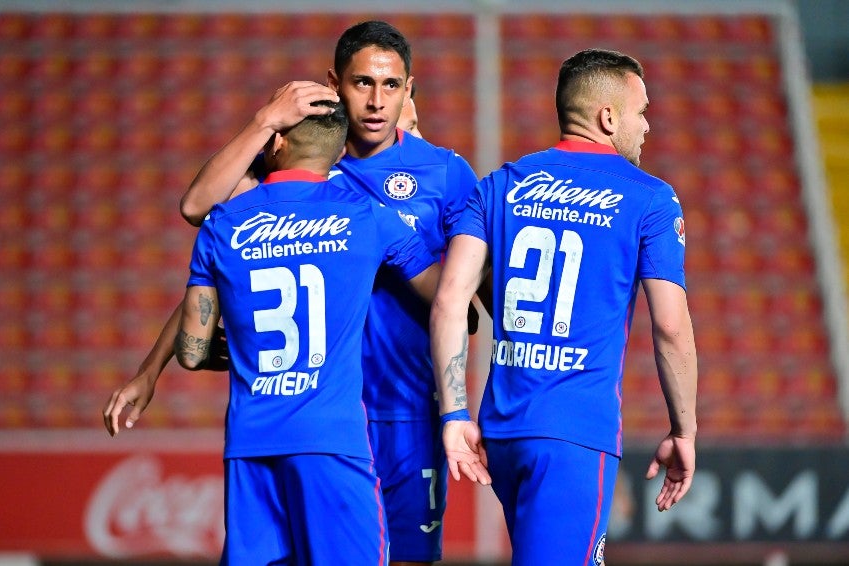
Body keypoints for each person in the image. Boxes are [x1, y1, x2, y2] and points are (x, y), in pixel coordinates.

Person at [105, 21, 479, 566]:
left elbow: (464, 299)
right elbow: (210, 233)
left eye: (391, 86)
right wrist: (149, 370)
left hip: (404, 411)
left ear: (409, 87)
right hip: (328, 414)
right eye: (361, 84)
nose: (376, 102)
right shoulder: (302, 158)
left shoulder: (445, 173)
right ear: (334, 83)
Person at [430, 48, 698, 565]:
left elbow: (448, 303)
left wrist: (455, 412)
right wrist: (683, 430)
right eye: (642, 112)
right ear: (607, 116)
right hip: (574, 435)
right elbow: (670, 324)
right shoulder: (650, 198)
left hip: (502, 432)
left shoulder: (498, 185)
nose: (647, 126)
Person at [175, 99, 442, 564]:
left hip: (250, 445)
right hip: (332, 441)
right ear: (337, 153)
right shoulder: (368, 217)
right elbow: (446, 294)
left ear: (276, 143)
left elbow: (192, 352)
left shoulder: (222, 223)